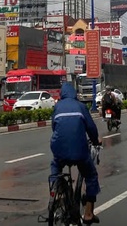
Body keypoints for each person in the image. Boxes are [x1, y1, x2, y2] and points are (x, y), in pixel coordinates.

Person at [50, 82, 102, 224]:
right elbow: (91, 128)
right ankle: (88, 214)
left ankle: (56, 191)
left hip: (59, 149)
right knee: (91, 176)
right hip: (79, 151)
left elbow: (54, 127)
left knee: (55, 167)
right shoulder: (81, 107)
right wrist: (95, 141)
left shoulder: (57, 107)